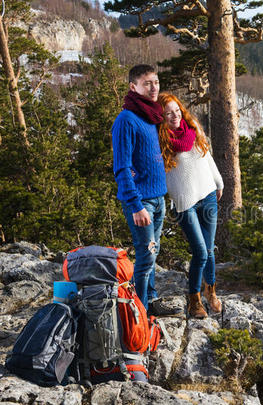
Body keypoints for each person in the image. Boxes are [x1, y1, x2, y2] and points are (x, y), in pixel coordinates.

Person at [112, 65, 178, 317]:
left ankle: (150, 299)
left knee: (154, 251)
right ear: (133, 87)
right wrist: (136, 205)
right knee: (146, 254)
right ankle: (138, 311)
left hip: (157, 198)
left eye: (156, 82)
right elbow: (122, 168)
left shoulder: (151, 116)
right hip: (140, 201)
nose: (153, 88)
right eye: (147, 83)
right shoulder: (126, 119)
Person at [157, 92, 223, 319]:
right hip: (186, 203)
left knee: (209, 249)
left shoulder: (192, 128)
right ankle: (194, 299)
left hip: (208, 195)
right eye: (168, 113)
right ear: (161, 116)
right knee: (200, 252)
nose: (174, 116)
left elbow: (207, 156)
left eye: (176, 111)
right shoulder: (160, 140)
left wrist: (218, 181)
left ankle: (210, 290)